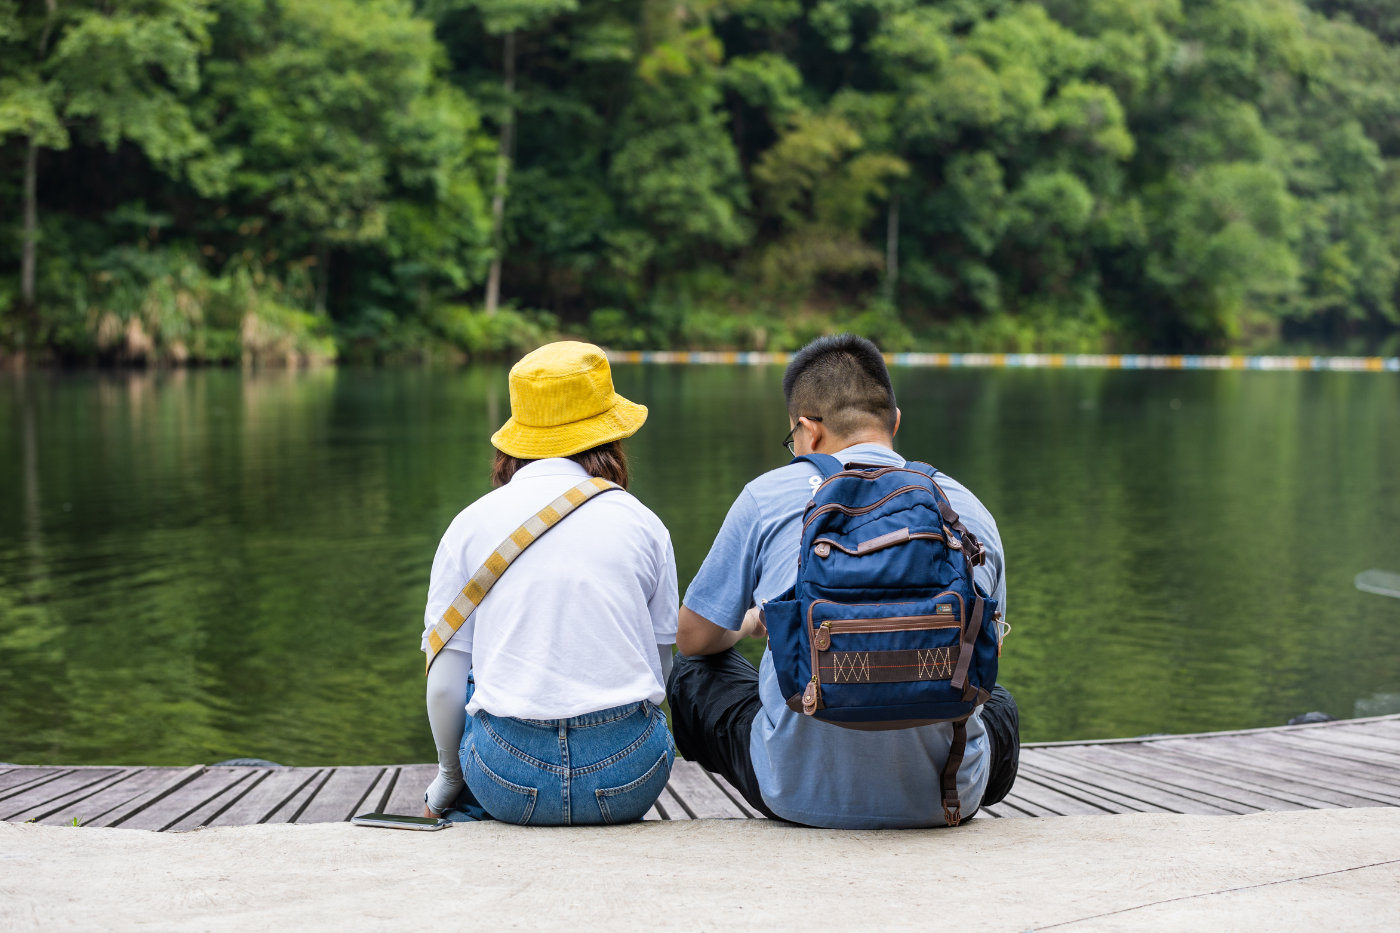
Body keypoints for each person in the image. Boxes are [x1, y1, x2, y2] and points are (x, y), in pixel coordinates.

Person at [667, 333, 1020, 828]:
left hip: (791, 796)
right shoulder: (965, 507)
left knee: (692, 669)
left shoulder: (767, 496)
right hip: (943, 799)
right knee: (998, 700)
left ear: (808, 431)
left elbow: (691, 638)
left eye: (793, 441)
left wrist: (753, 622)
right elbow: (988, 649)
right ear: (895, 422)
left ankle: (799, 764)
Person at [421, 341, 677, 825]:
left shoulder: (470, 524)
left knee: (469, 666)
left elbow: (442, 687)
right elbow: (659, 667)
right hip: (627, 780)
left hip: (507, 782)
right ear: (610, 437)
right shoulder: (643, 523)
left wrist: (449, 777)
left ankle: (468, 808)